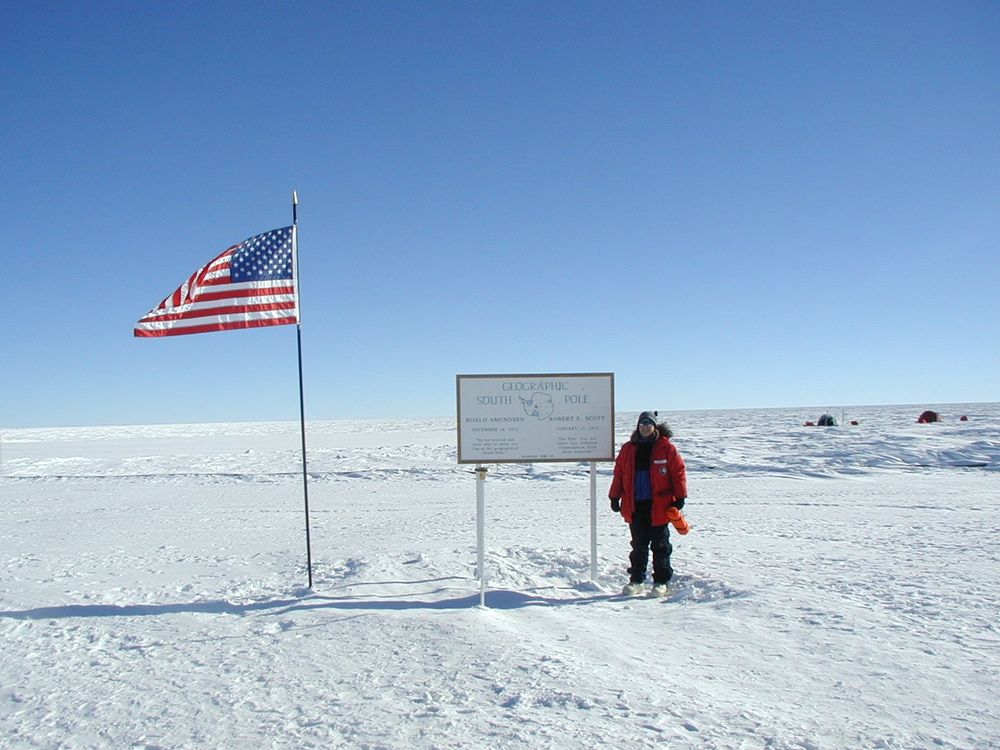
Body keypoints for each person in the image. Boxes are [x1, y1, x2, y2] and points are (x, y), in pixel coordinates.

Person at [609, 411, 688, 597]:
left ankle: (661, 582)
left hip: (659, 506)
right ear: (638, 426)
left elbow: (678, 472)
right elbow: (619, 473)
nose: (645, 427)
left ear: (654, 426)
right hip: (635, 504)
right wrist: (614, 496)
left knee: (660, 545)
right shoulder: (628, 449)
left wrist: (680, 497)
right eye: (642, 424)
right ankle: (636, 580)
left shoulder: (666, 448)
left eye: (648, 423)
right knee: (638, 545)